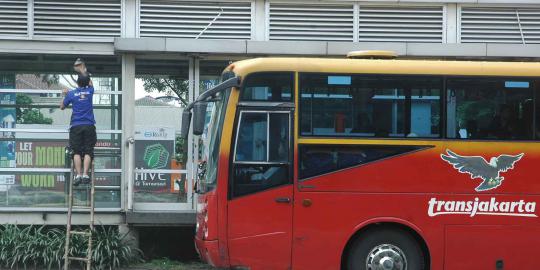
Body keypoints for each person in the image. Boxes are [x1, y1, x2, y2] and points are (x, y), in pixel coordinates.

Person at [60, 71, 96, 186]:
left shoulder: (71, 94)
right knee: (88, 150)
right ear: (87, 82)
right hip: (89, 125)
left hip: (76, 126)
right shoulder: (90, 91)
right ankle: (85, 174)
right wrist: (84, 72)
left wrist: (65, 94)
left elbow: (61, 107)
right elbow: (90, 83)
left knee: (76, 151)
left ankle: (78, 175)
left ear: (77, 82)